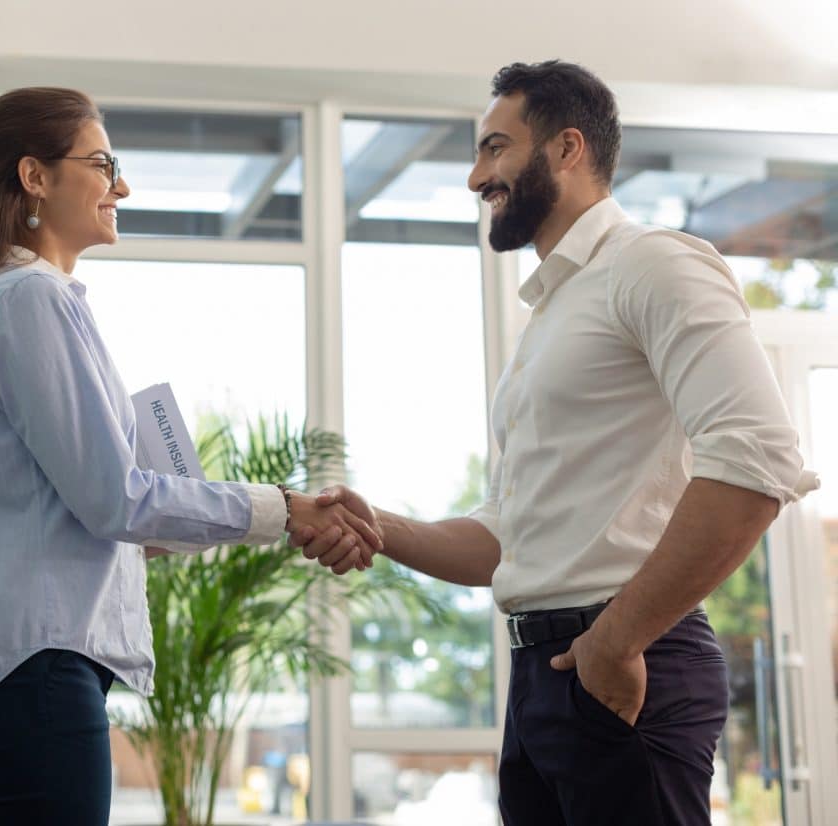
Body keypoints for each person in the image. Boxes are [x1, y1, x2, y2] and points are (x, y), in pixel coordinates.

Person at [293, 60, 818, 825]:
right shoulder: (554, 312)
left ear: (568, 149)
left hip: (621, 662)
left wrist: (617, 640)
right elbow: (512, 534)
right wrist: (383, 528)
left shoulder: (654, 264)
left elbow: (758, 460)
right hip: (545, 673)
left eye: (495, 148)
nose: (478, 176)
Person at [0, 86, 380, 826]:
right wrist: (282, 510)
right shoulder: (34, 300)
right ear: (35, 177)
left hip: (23, 665)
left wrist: (190, 524)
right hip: (36, 666)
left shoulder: (20, 299)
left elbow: (86, 513)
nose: (121, 185)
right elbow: (114, 499)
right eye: (102, 163)